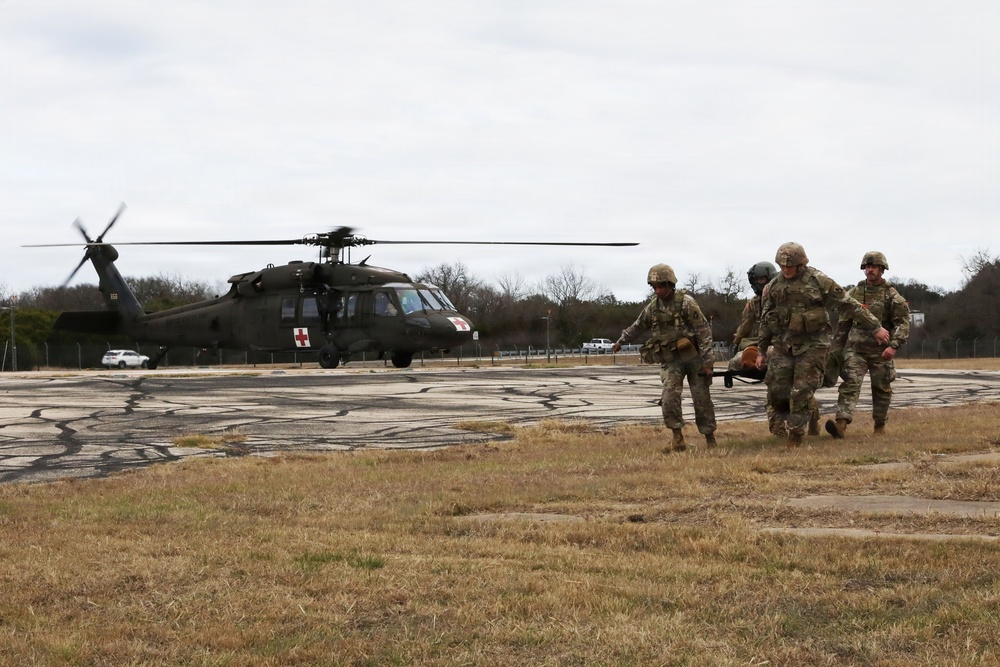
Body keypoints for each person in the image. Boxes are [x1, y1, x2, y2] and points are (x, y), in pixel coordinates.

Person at [754, 243, 890, 447]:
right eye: (782, 266)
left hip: (814, 345)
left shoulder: (818, 280)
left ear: (800, 264)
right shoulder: (773, 287)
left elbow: (849, 304)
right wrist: (761, 350)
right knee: (777, 393)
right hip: (785, 346)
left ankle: (795, 437)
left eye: (789, 265)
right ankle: (805, 420)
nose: (785, 269)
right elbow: (767, 320)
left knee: (801, 391)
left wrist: (875, 327)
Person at [612, 264, 717, 451]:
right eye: (654, 287)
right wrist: (621, 341)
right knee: (669, 398)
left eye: (661, 286)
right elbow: (638, 325)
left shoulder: (686, 302)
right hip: (671, 360)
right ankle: (677, 438)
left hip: (694, 359)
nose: (658, 290)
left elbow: (703, 332)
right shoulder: (653, 308)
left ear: (670, 284)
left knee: (701, 399)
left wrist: (707, 363)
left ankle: (710, 438)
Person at [729, 261, 821, 437]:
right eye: (755, 280)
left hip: (785, 346)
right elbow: (745, 325)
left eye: (762, 279)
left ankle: (812, 420)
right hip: (763, 345)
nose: (758, 283)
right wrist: (737, 341)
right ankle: (779, 430)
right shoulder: (753, 304)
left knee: (799, 391)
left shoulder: (785, 298)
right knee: (773, 387)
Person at [826, 251, 910, 437]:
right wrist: (837, 349)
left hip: (881, 352)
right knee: (850, 385)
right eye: (867, 267)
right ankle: (841, 424)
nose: (870, 270)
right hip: (856, 351)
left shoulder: (891, 294)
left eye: (874, 267)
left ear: (882, 269)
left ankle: (879, 426)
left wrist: (894, 345)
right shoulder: (855, 293)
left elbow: (903, 322)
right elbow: (844, 323)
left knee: (881, 388)